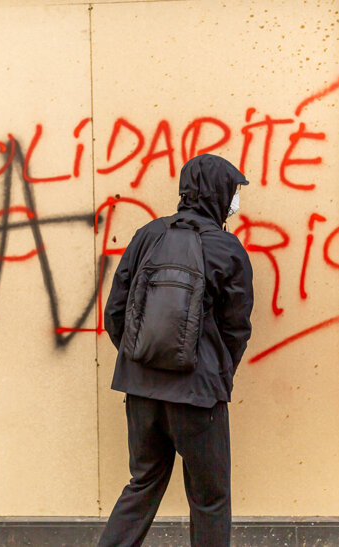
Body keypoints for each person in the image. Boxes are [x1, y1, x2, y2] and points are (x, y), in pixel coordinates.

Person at [99, 154, 254, 547]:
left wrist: (141, 361)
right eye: (233, 190)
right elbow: (236, 328)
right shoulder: (227, 248)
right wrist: (218, 373)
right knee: (209, 499)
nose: (236, 199)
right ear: (218, 193)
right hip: (198, 395)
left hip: (140, 390)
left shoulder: (147, 235)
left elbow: (115, 312)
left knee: (142, 483)